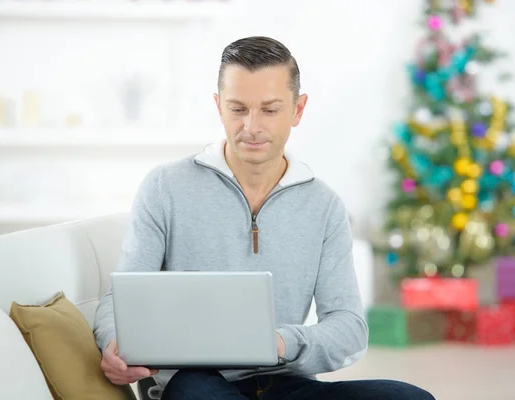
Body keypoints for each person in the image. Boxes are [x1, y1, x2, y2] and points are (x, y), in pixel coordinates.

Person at [93, 36, 435, 400]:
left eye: (270, 110)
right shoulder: (165, 187)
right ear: (218, 107)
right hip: (195, 383)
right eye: (238, 108)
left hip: (285, 381)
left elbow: (349, 328)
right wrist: (114, 343)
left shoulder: (324, 205)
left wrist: (280, 342)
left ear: (298, 110)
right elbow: (120, 301)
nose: (252, 127)